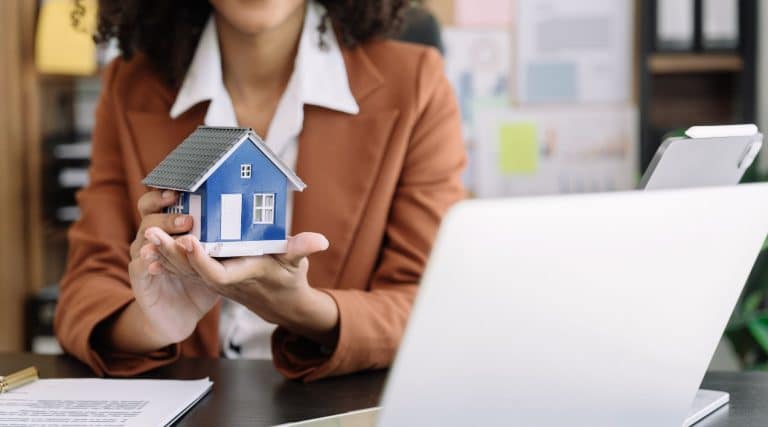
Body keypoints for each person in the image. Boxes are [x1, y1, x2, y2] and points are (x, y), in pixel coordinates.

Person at [55, 0, 465, 381]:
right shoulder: (130, 85)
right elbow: (84, 293)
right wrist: (153, 323)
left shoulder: (415, 83)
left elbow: (431, 305)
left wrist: (302, 309)